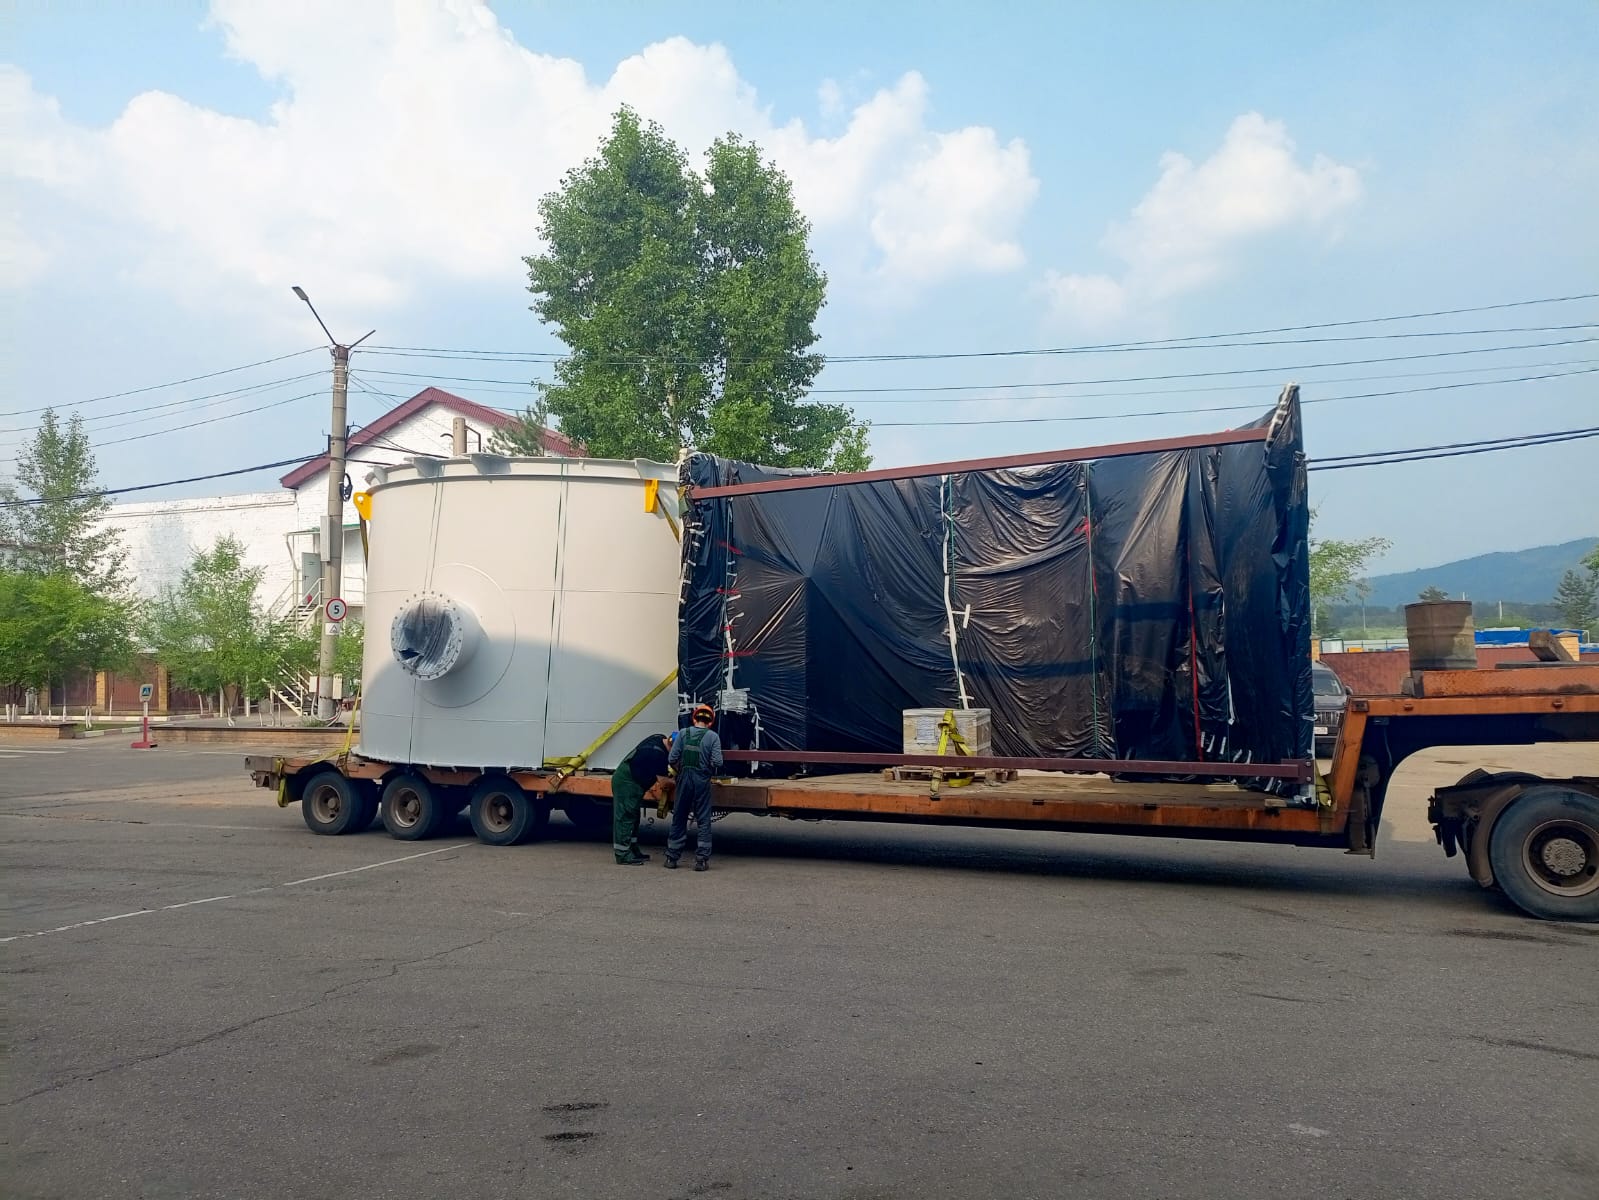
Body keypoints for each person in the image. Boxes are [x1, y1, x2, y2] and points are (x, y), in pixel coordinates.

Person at [666, 704, 723, 871]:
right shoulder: (713, 737)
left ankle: (671, 857)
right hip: (701, 781)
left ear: (694, 718)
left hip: (684, 780)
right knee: (703, 819)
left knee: (679, 817)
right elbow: (718, 762)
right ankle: (701, 860)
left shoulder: (683, 734)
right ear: (710, 721)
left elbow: (672, 758)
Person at [611, 732, 671, 866]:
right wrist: (677, 781)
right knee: (626, 817)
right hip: (627, 783)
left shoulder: (659, 738)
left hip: (633, 781)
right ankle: (622, 854)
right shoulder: (658, 755)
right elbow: (664, 783)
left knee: (634, 817)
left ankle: (632, 849)